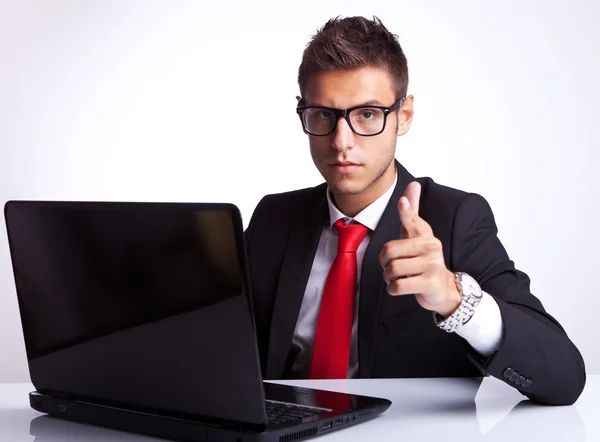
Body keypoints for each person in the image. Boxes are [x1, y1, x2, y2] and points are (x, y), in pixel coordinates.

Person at [244, 15, 585, 406]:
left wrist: (454, 299)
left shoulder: (455, 218)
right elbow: (220, 344)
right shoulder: (274, 218)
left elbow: (565, 376)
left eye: (367, 115)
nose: (342, 141)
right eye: (324, 114)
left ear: (403, 116)